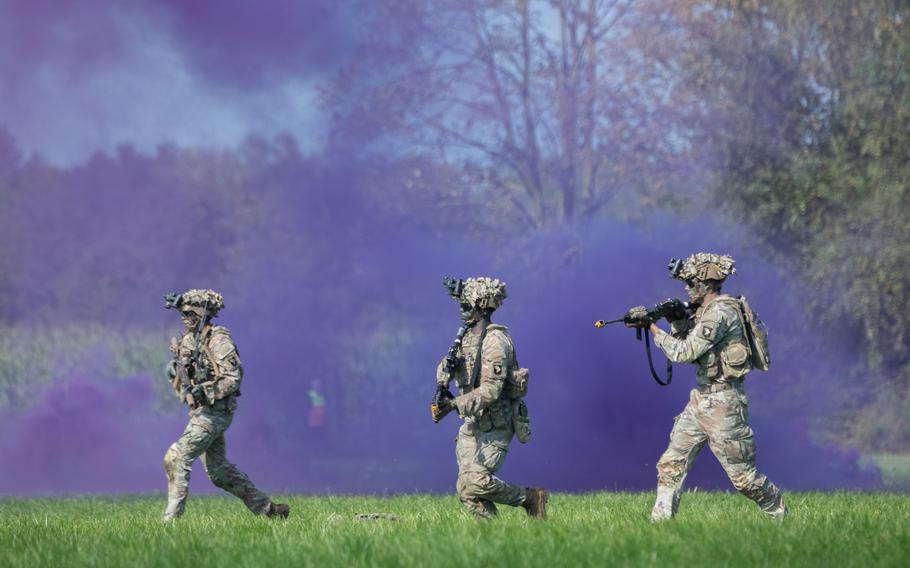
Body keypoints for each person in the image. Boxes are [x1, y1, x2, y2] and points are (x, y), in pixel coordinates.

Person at [630, 253, 787, 522]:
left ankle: (779, 512)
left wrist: (653, 328)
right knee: (671, 463)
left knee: (744, 479)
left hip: (725, 403)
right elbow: (692, 341)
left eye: (690, 283)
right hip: (701, 400)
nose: (686, 289)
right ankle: (659, 524)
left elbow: (684, 352)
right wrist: (678, 319)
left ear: (706, 283)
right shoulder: (706, 313)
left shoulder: (721, 314)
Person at [161, 289, 289, 522]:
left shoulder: (219, 340)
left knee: (177, 456)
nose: (184, 317)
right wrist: (175, 375)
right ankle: (269, 510)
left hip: (216, 413)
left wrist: (207, 389)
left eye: (189, 312)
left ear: (201, 314)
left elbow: (233, 378)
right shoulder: (189, 340)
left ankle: (170, 523)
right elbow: (184, 377)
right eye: (182, 313)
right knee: (219, 472)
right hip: (201, 411)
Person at [432, 277, 547, 520]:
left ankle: (530, 498)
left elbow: (491, 391)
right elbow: (446, 366)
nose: (462, 312)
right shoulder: (465, 339)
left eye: (467, 306)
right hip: (473, 425)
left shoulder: (496, 341)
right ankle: (493, 537)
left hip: (497, 424)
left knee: (475, 481)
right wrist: (445, 374)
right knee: (466, 489)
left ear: (482, 307)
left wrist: (453, 404)